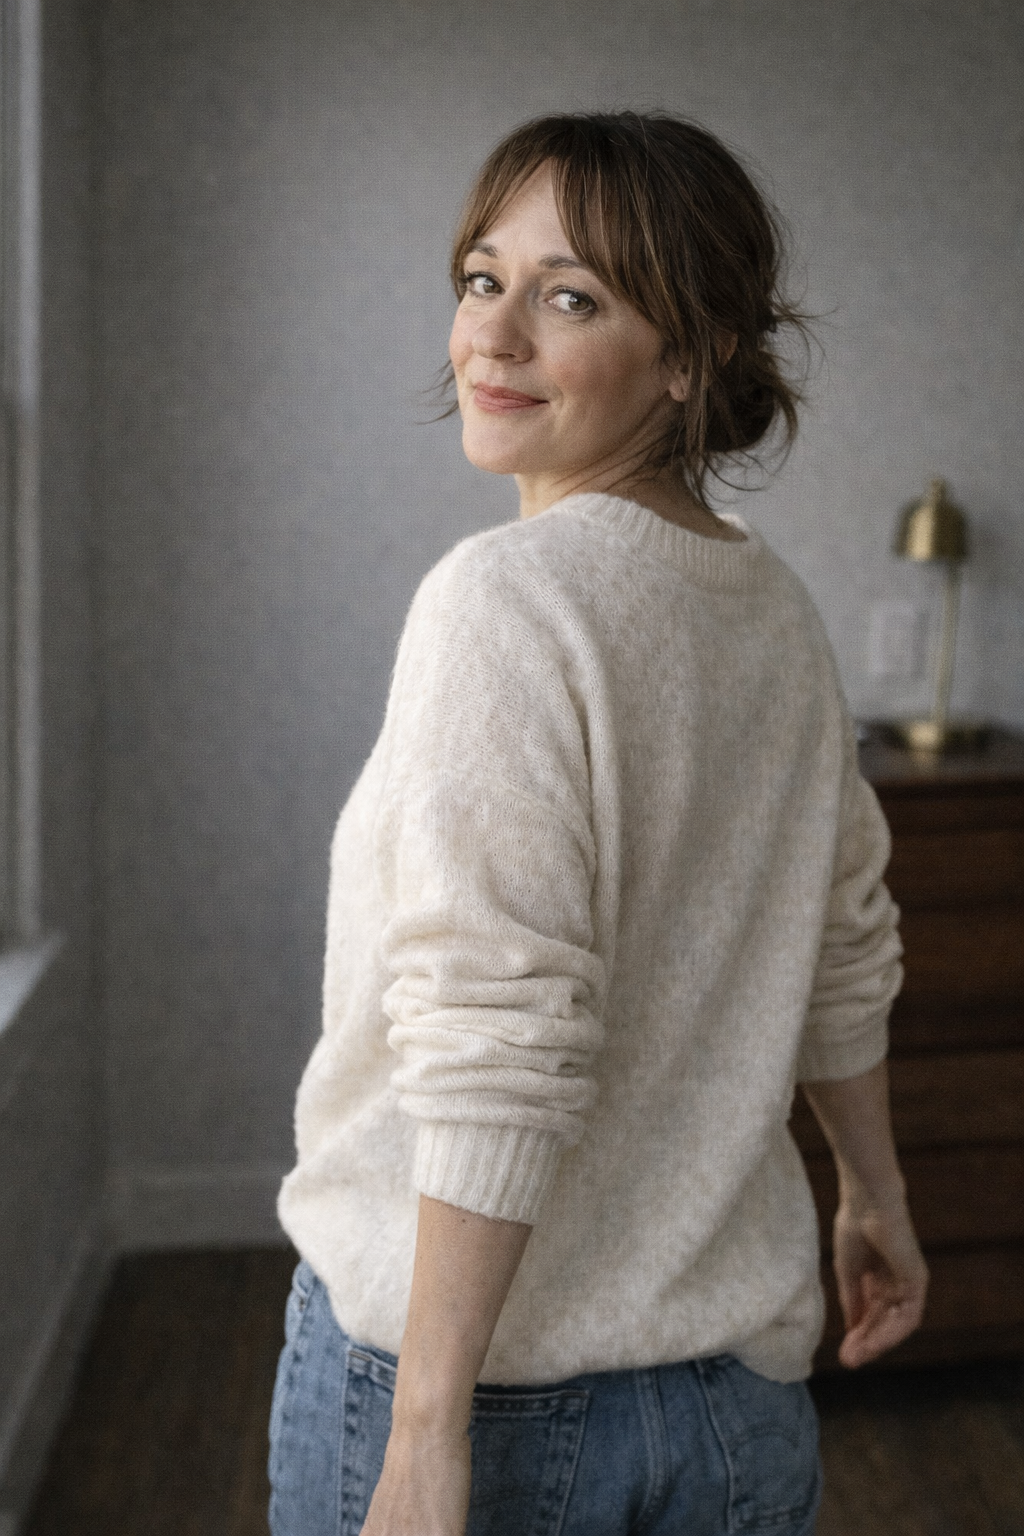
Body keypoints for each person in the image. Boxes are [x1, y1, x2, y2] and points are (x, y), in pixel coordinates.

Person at [268, 111, 928, 1536]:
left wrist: (428, 1434)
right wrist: (872, 1192)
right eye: (479, 277)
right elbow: (842, 938)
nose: (492, 340)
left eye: (571, 297)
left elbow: (498, 1037)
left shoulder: (503, 603)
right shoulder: (771, 608)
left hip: (484, 1409)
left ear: (688, 360)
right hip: (737, 1415)